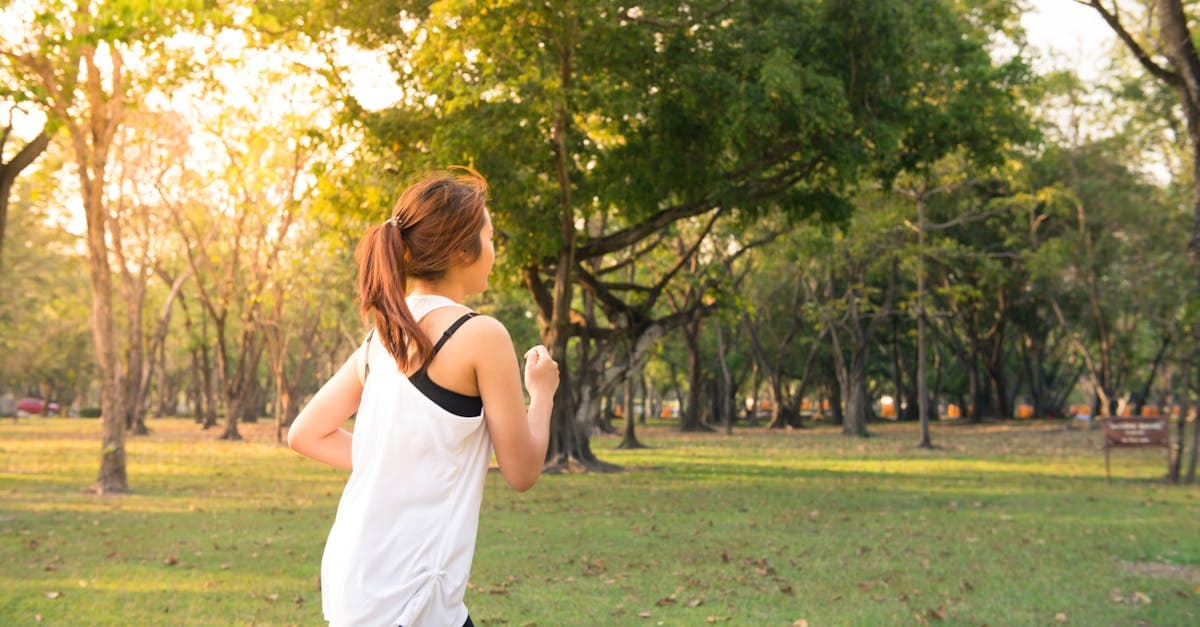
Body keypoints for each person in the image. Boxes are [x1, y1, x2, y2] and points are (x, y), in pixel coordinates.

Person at [288, 169, 559, 627]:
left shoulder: (383, 337)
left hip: (356, 575)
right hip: (411, 589)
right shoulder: (480, 334)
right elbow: (523, 471)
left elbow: (305, 434)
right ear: (460, 250)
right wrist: (543, 394)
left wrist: (395, 459)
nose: (494, 252)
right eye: (490, 238)